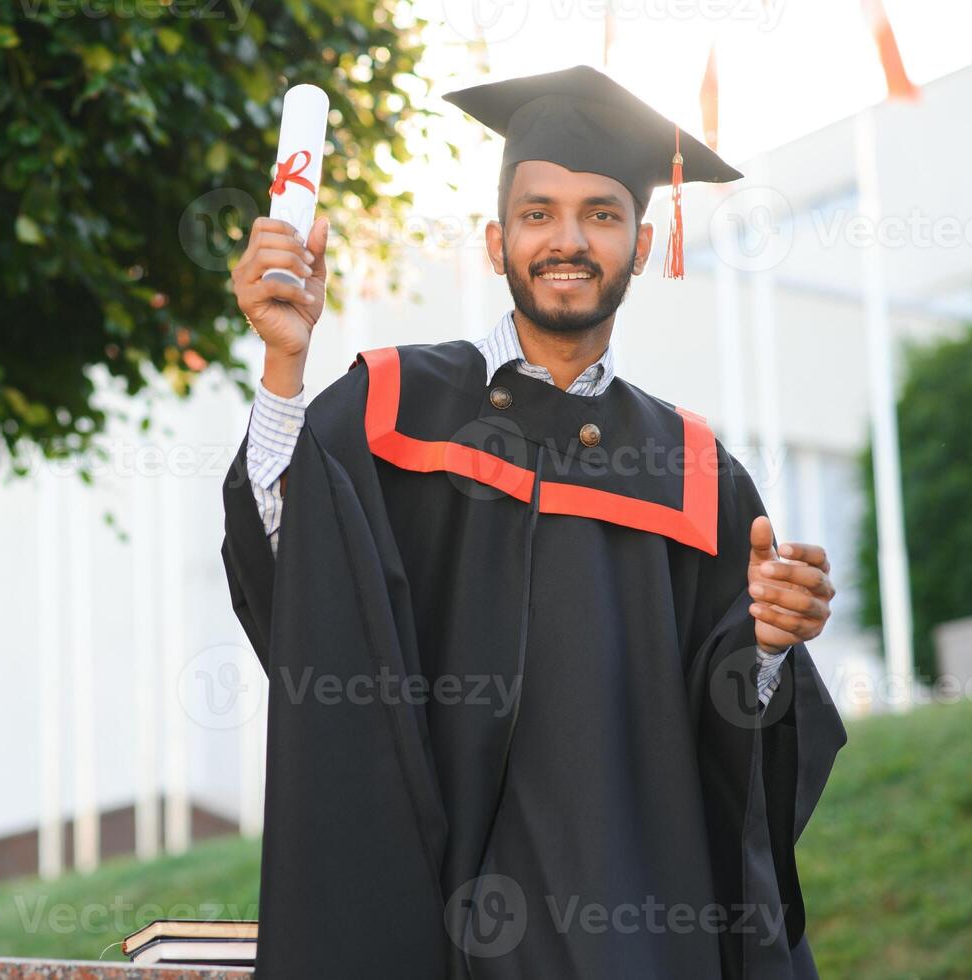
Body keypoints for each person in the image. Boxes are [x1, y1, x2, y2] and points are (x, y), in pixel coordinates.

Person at [220, 65, 846, 980]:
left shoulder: (695, 469)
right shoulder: (394, 406)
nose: (568, 239)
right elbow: (297, 568)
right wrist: (283, 371)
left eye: (600, 214)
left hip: (631, 930)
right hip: (432, 915)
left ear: (638, 244)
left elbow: (734, 748)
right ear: (494, 239)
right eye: (538, 211)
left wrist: (768, 647)